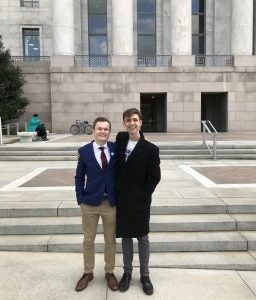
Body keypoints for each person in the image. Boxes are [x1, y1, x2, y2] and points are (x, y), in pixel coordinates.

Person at [116, 108, 161, 296]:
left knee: (142, 238)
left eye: (135, 120)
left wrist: (143, 195)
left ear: (141, 122)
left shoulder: (151, 149)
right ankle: (127, 273)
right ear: (124, 123)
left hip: (140, 200)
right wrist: (82, 153)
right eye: (128, 120)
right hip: (122, 199)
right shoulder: (120, 139)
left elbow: (154, 177)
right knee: (126, 237)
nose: (131, 123)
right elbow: (103, 147)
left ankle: (145, 275)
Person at [74, 116, 119, 292]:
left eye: (106, 129)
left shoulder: (116, 148)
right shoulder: (84, 151)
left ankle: (109, 272)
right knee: (88, 240)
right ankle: (88, 272)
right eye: (99, 128)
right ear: (93, 130)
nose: (102, 132)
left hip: (110, 204)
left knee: (110, 241)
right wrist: (80, 198)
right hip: (90, 203)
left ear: (109, 132)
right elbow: (79, 177)